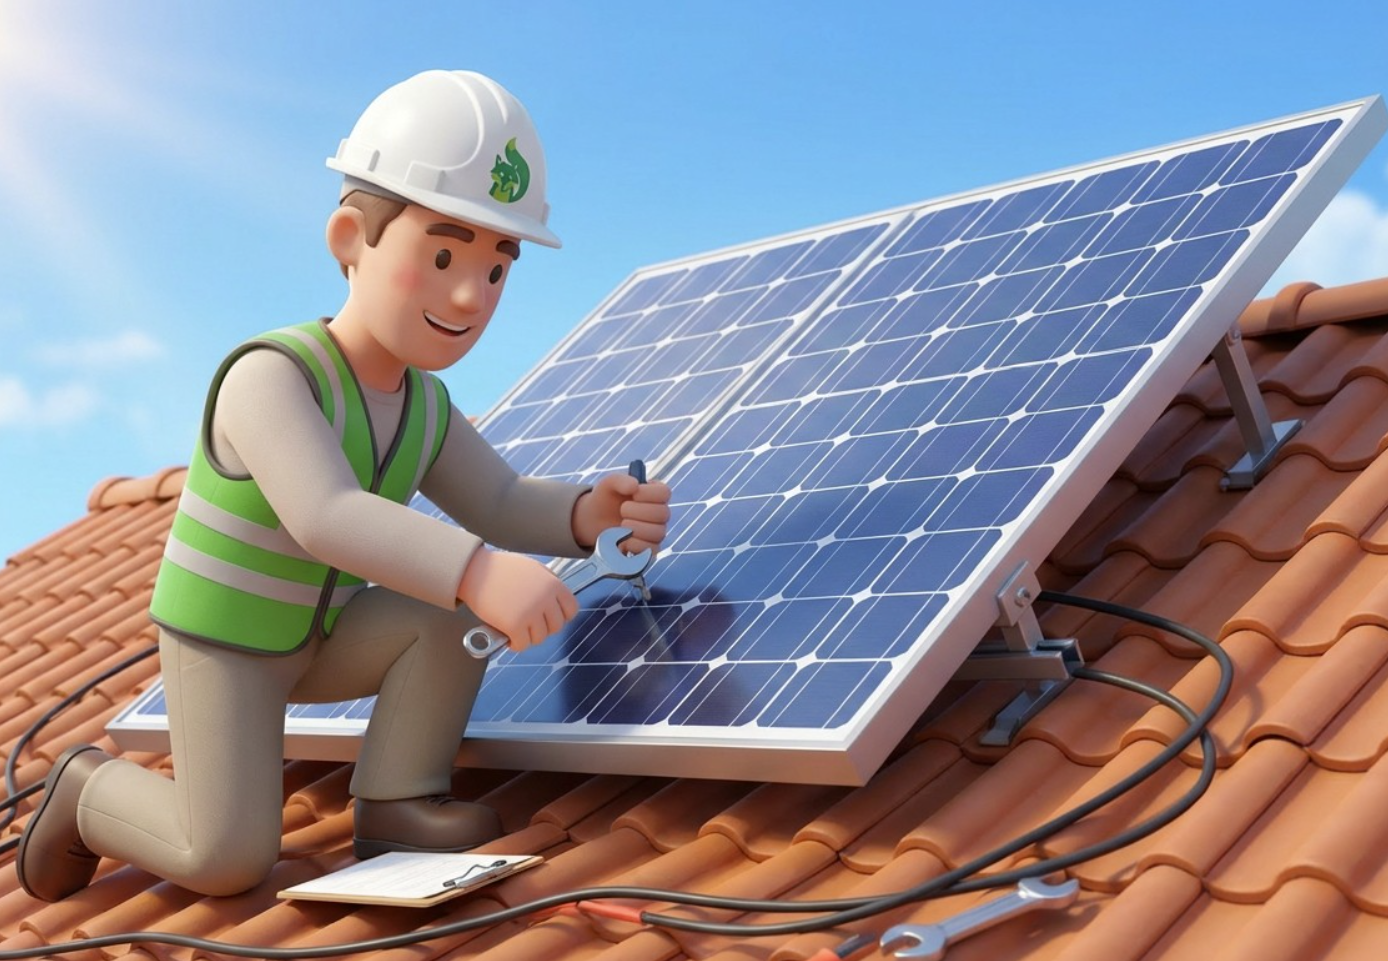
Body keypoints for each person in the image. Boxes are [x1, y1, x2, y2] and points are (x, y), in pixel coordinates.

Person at [16, 69, 671, 900]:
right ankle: (85, 787)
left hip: (324, 628)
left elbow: (499, 501)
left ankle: (396, 797)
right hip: (231, 646)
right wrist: (479, 569)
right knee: (224, 856)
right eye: (441, 254)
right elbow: (326, 515)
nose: (470, 295)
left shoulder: (424, 406)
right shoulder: (271, 376)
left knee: (449, 611)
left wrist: (586, 513)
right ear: (351, 238)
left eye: (497, 268)